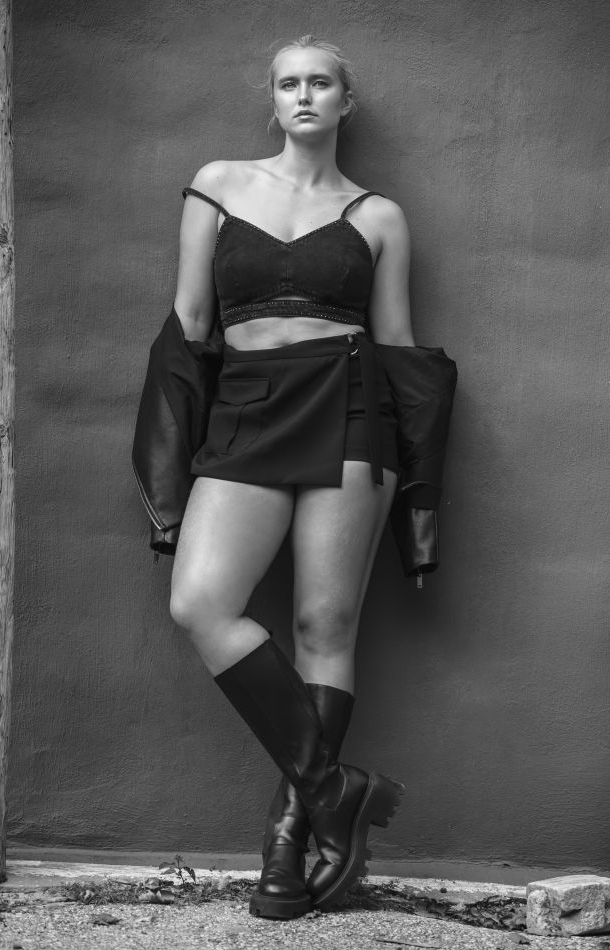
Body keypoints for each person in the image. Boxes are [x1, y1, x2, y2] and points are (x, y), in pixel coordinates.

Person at [146, 35, 423, 921]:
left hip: (351, 408)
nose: (304, 95)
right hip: (246, 410)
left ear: (346, 101)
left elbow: (400, 351)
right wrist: (165, 463)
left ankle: (288, 839)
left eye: (321, 82)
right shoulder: (218, 183)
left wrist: (418, 490)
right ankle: (335, 788)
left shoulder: (378, 216)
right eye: (288, 83)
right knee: (201, 602)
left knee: (322, 625)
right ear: (271, 101)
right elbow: (191, 324)